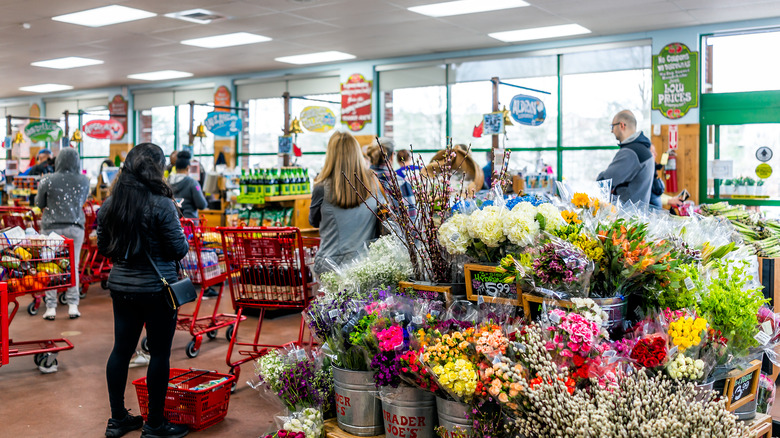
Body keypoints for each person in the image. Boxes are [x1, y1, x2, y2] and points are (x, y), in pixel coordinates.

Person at [98, 143, 189, 438]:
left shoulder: (110, 205)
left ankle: (117, 419)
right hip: (157, 290)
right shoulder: (162, 204)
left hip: (121, 287)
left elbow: (103, 248)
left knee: (121, 351)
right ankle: (154, 424)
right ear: (158, 168)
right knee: (160, 354)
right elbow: (178, 249)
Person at [309, 132, 381, 276]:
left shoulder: (321, 187)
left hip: (331, 266)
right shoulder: (373, 182)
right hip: (367, 264)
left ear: (330, 155)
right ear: (357, 153)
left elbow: (313, 221)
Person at [35, 147, 90, 326]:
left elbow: (39, 203)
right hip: (75, 227)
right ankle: (73, 305)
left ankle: (51, 307)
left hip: (51, 228)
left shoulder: (47, 180)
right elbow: (81, 201)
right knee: (73, 266)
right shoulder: (84, 180)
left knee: (50, 266)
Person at [597, 110, 655, 204]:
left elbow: (605, 181)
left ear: (622, 125)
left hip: (626, 215)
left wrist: (600, 177)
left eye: (613, 126)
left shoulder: (631, 152)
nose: (612, 131)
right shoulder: (643, 148)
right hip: (636, 212)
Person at [365, 137, 417, 223]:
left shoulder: (358, 180)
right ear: (392, 156)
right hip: (390, 234)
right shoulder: (400, 183)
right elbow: (412, 219)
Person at [168, 150, 207, 220]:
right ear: (188, 167)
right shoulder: (193, 183)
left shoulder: (167, 182)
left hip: (172, 223)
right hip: (189, 225)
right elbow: (202, 205)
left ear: (176, 167)